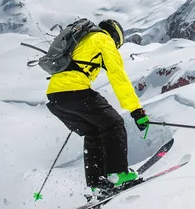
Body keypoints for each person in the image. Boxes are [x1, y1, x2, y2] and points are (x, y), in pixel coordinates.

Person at [45, 19, 149, 197]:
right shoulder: (103, 40)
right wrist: (136, 110)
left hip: (56, 98)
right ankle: (118, 174)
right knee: (114, 123)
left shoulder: (84, 40)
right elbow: (118, 77)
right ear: (115, 37)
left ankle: (97, 183)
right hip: (74, 91)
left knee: (94, 132)